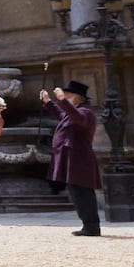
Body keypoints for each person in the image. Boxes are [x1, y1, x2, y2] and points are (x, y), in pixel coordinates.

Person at [41, 81, 102, 237]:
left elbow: (76, 117)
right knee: (76, 191)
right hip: (72, 159)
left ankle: (91, 227)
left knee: (82, 192)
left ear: (78, 98)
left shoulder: (85, 113)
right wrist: (49, 102)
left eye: (68, 96)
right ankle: (88, 225)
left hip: (79, 159)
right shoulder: (72, 113)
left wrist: (61, 100)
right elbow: (62, 114)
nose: (66, 99)